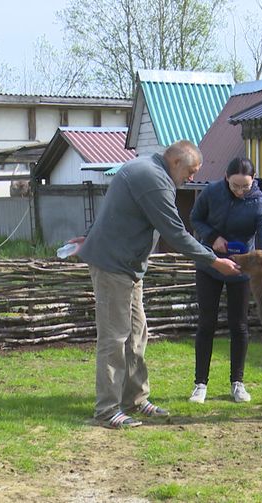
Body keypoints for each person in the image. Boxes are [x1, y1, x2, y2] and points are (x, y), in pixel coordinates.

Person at [75, 140, 240, 429]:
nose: (191, 178)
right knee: (114, 339)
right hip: (114, 265)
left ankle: (135, 399)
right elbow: (176, 234)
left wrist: (90, 234)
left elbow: (114, 210)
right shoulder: (153, 179)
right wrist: (214, 261)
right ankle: (106, 410)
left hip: (128, 267)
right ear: (175, 161)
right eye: (191, 171)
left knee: (136, 335)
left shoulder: (145, 168)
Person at [188, 157, 262, 404]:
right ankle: (200, 384)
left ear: (253, 181)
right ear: (226, 178)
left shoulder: (259, 201)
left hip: (242, 269)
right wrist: (212, 237)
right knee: (206, 323)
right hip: (209, 264)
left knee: (239, 325)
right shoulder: (211, 192)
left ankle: (237, 384)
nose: (241, 191)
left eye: (245, 186)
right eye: (235, 186)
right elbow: (195, 218)